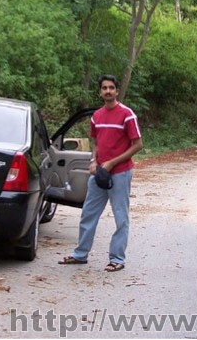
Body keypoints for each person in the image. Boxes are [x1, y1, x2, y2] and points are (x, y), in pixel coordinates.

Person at [59, 75, 143, 272]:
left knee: (120, 217)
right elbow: (96, 142)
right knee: (88, 214)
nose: (107, 91)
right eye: (104, 88)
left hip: (120, 173)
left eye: (111, 88)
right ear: (100, 92)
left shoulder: (127, 115)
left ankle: (117, 259)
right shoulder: (96, 116)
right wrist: (93, 161)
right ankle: (80, 255)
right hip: (99, 174)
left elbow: (138, 144)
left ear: (116, 91)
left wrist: (112, 162)